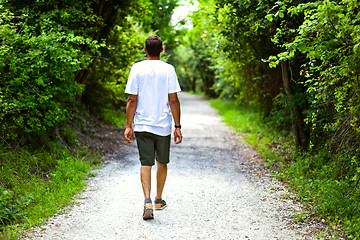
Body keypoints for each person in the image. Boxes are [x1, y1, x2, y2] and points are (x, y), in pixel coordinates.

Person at [124, 35, 182, 220]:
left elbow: (132, 99)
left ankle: (147, 200)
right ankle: (158, 199)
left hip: (142, 125)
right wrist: (178, 126)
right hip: (163, 125)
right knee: (162, 162)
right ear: (162, 50)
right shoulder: (169, 69)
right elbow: (174, 100)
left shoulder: (137, 68)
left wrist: (128, 125)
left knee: (145, 163)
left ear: (145, 50)